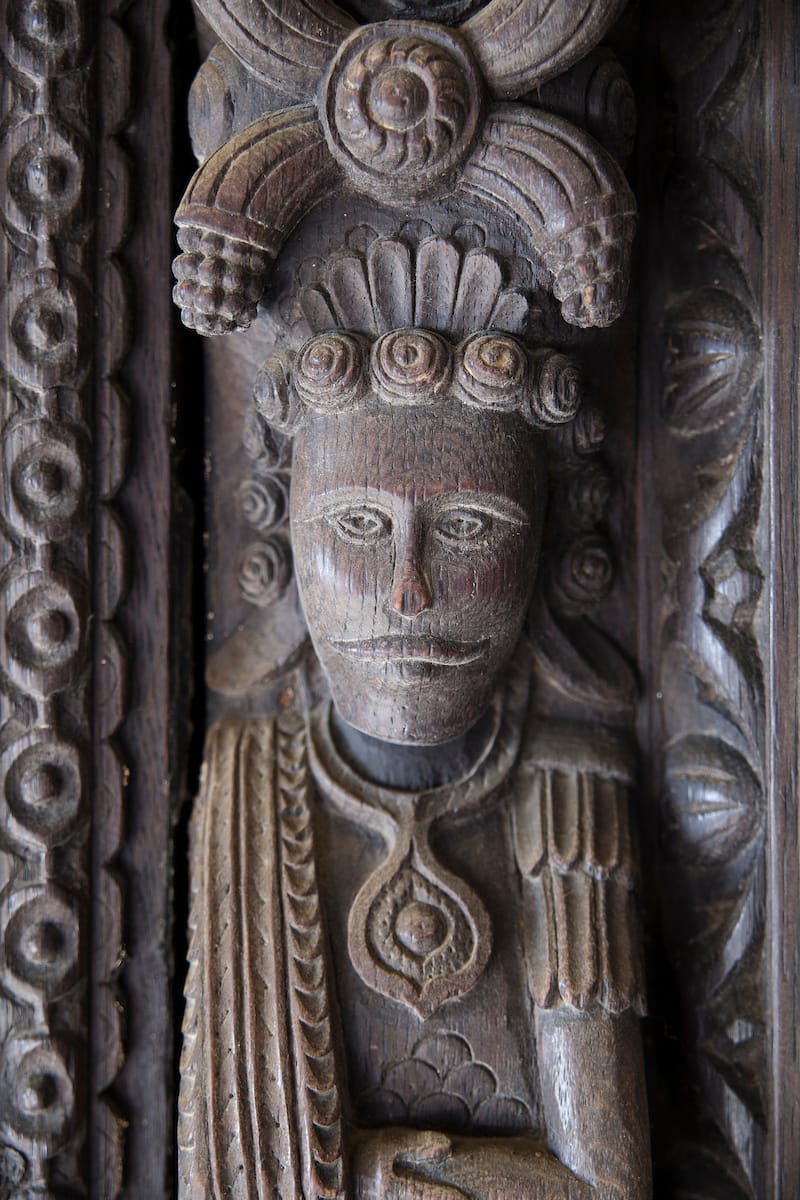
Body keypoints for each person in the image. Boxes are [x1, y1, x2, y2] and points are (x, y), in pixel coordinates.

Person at [178, 232, 650, 1200]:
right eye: (357, 524)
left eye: (468, 526)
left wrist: (375, 1176)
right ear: (285, 533)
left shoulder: (571, 801)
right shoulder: (243, 789)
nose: (406, 593)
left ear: (547, 543)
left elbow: (606, 1183)